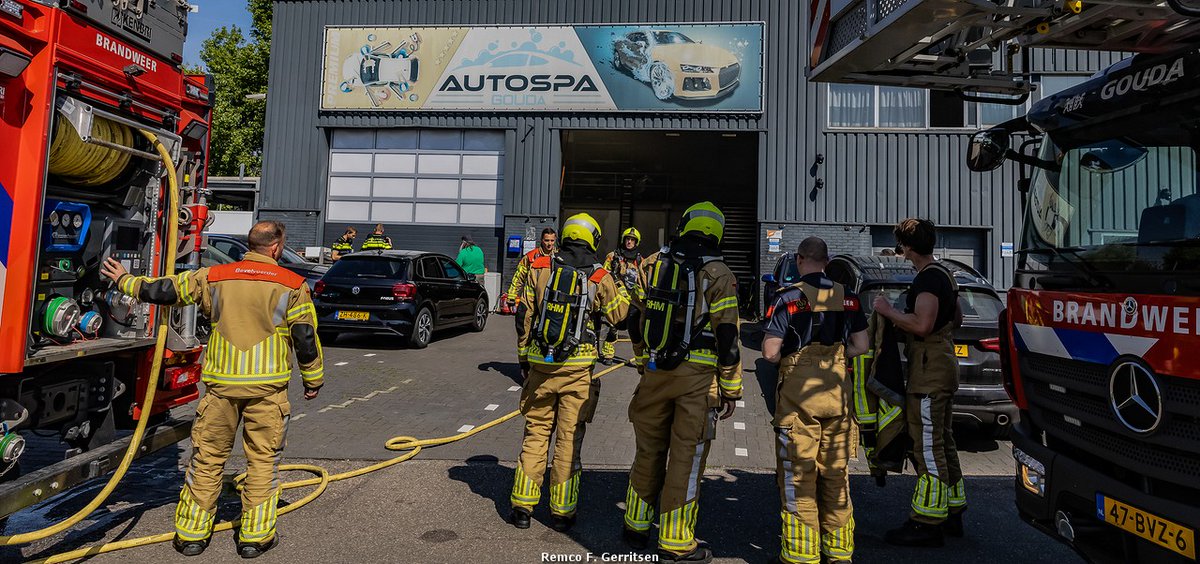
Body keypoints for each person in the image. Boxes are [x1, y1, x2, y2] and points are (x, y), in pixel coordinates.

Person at [99, 221, 323, 559]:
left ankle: (191, 535)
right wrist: (313, 380)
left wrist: (124, 280)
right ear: (276, 248)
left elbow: (163, 291)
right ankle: (255, 537)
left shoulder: (214, 276)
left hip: (221, 389)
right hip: (268, 390)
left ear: (250, 244)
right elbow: (305, 338)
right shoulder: (292, 285)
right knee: (263, 461)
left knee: (207, 458)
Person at [623, 202, 742, 564]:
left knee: (648, 451)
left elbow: (633, 320)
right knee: (685, 461)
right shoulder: (719, 273)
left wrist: (644, 360)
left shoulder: (653, 264)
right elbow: (728, 337)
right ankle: (675, 542)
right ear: (717, 232)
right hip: (697, 381)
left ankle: (635, 525)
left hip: (656, 373)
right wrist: (731, 387)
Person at [509, 213, 629, 532]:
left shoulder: (540, 266)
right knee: (568, 439)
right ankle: (562, 512)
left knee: (535, 434)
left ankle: (523, 506)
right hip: (578, 369)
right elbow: (619, 314)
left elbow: (524, 316)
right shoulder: (599, 274)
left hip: (540, 366)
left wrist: (524, 359)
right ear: (592, 238)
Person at [761, 237, 870, 564]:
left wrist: (790, 359)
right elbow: (862, 345)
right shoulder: (848, 298)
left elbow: (769, 352)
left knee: (799, 476)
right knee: (836, 475)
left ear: (800, 260)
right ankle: (838, 552)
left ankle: (800, 555)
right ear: (827, 260)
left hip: (799, 399)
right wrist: (837, 358)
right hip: (837, 396)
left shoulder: (789, 298)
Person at [872, 218, 966, 547]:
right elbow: (957, 318)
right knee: (944, 441)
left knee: (927, 447)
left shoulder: (927, 279)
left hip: (928, 372)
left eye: (901, 244)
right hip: (944, 365)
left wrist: (887, 310)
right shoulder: (945, 275)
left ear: (907, 246)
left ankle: (927, 522)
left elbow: (923, 324)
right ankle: (953, 512)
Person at [507, 227, 557, 375]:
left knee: (549, 333)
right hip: (528, 300)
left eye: (552, 241)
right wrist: (511, 297)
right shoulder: (530, 257)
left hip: (548, 301)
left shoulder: (559, 257)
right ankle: (524, 366)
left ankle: (544, 365)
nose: (549, 244)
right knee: (523, 332)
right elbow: (518, 278)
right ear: (541, 240)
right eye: (546, 240)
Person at [600, 227, 646, 365]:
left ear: (636, 242)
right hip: (616, 296)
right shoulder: (613, 256)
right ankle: (608, 354)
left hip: (633, 298)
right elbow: (603, 275)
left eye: (632, 240)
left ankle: (639, 359)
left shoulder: (640, 260)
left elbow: (643, 280)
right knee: (613, 326)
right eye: (627, 239)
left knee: (635, 329)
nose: (629, 242)